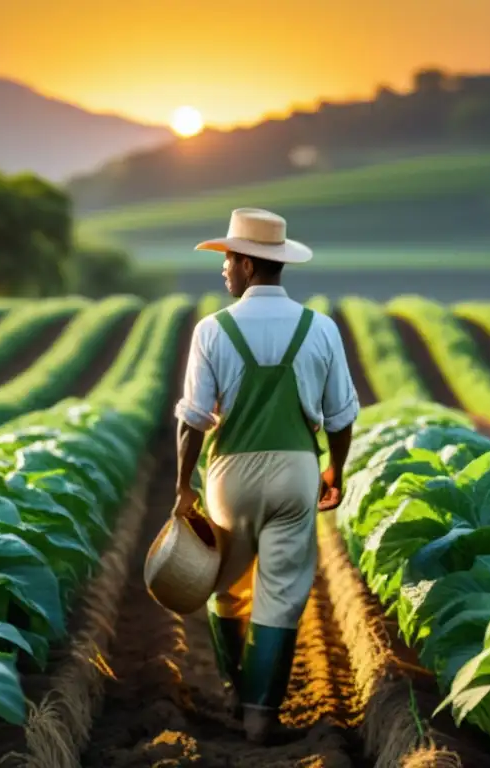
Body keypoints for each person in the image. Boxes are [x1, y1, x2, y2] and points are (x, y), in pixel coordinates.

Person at [171, 207, 360, 744]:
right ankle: (260, 714)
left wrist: (183, 485)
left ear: (250, 265)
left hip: (229, 474)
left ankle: (237, 690)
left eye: (229, 260)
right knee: (282, 588)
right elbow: (342, 416)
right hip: (296, 472)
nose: (224, 270)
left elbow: (193, 419)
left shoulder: (213, 330)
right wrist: (335, 470)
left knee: (226, 586)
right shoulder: (320, 328)